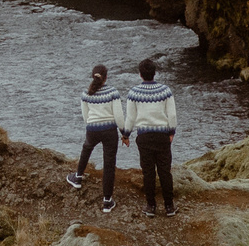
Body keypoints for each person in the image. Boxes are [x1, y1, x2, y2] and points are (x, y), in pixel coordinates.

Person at [123, 57, 177, 216]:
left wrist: (126, 135)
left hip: (144, 136)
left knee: (148, 172)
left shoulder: (133, 93)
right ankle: (169, 207)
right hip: (162, 136)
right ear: (155, 73)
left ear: (140, 74)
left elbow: (130, 118)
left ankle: (151, 206)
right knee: (165, 171)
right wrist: (171, 132)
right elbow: (172, 115)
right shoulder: (165, 91)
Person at [68, 64, 123, 212]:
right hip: (110, 131)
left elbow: (85, 116)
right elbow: (118, 116)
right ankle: (107, 201)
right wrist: (124, 133)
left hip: (92, 129)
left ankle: (78, 177)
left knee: (87, 147)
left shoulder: (86, 93)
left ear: (93, 76)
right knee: (109, 163)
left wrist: (91, 126)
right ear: (106, 78)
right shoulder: (113, 92)